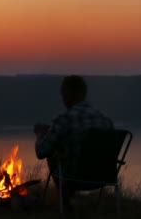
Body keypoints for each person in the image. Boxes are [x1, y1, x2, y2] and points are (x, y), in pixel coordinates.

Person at [34, 75, 114, 210]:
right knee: (68, 152)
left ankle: (63, 203)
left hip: (75, 178)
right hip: (103, 176)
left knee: (53, 153)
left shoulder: (64, 119)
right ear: (84, 93)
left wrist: (41, 134)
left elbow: (42, 151)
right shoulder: (105, 120)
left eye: (63, 94)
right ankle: (66, 203)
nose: (62, 99)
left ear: (68, 94)